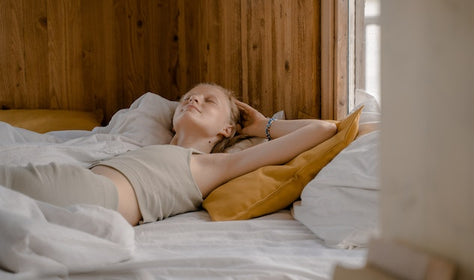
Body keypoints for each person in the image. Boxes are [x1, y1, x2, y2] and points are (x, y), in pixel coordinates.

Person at [0, 83, 337, 226]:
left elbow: (323, 130)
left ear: (227, 130)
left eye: (209, 101)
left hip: (92, 197)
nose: (194, 101)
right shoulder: (144, 148)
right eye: (189, 97)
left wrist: (259, 125)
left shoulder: (214, 165)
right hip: (75, 183)